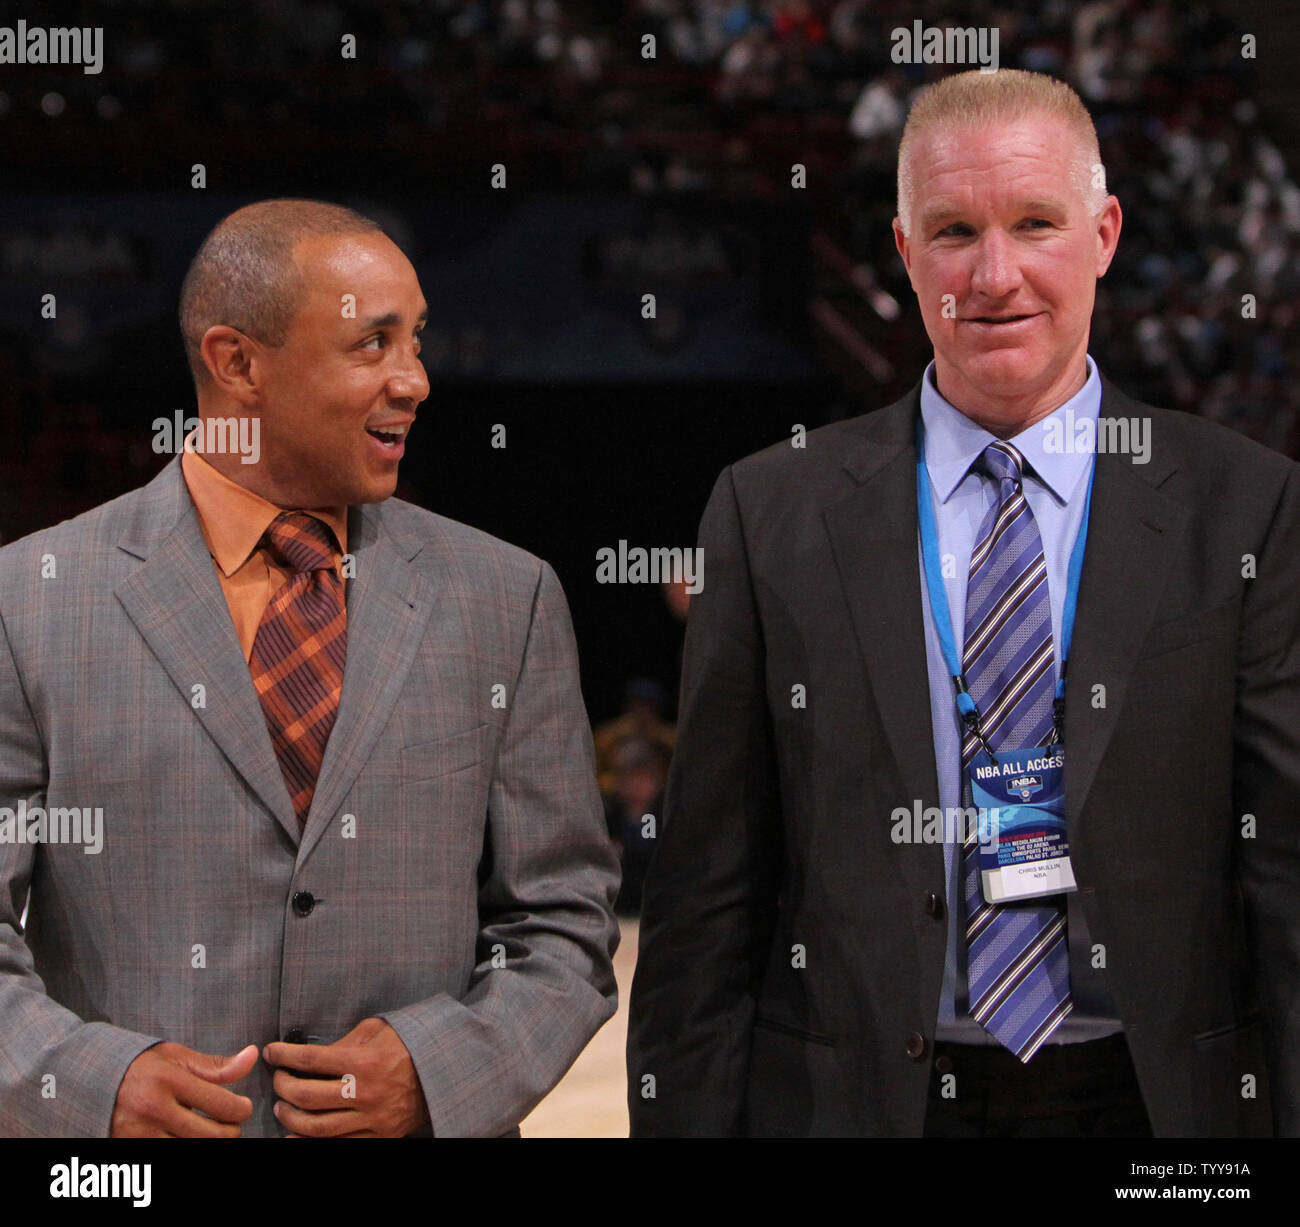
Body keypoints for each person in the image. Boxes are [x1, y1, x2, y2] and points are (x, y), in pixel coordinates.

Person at [627, 69, 1300, 1137]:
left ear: (1104, 233)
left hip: (1162, 1106)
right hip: (857, 1101)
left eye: (1034, 223)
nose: (994, 275)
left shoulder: (1246, 504)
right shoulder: (771, 509)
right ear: (902, 252)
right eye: (952, 232)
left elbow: (1284, 878)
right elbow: (704, 894)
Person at [0, 199, 620, 1138]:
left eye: (415, 340)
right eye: (372, 343)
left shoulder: (508, 596)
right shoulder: (28, 598)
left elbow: (565, 924)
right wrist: (89, 1082)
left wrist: (435, 1070)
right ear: (237, 362)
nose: (413, 380)